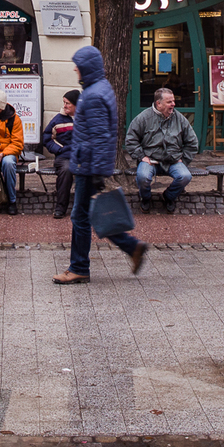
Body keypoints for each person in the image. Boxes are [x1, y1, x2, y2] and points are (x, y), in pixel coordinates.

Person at [55, 46, 147, 285]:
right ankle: (132, 247)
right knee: (90, 215)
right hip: (88, 164)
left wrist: (94, 172)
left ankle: (79, 268)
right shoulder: (98, 88)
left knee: (80, 217)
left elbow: (98, 136)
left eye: (78, 65)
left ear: (86, 67)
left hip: (88, 166)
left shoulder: (94, 95)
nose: (75, 68)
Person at [126, 87, 200, 213]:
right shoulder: (143, 118)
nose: (173, 104)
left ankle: (169, 196)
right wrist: (141, 157)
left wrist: (183, 159)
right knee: (142, 177)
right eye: (169, 102)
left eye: (173, 101)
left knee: (185, 176)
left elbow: (192, 142)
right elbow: (130, 140)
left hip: (173, 161)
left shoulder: (180, 119)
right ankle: (146, 198)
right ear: (158, 104)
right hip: (150, 159)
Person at [42, 89, 78, 219]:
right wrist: (59, 149)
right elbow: (47, 138)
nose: (64, 106)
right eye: (64, 102)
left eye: (68, 103)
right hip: (64, 157)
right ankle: (60, 207)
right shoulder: (58, 120)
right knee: (67, 170)